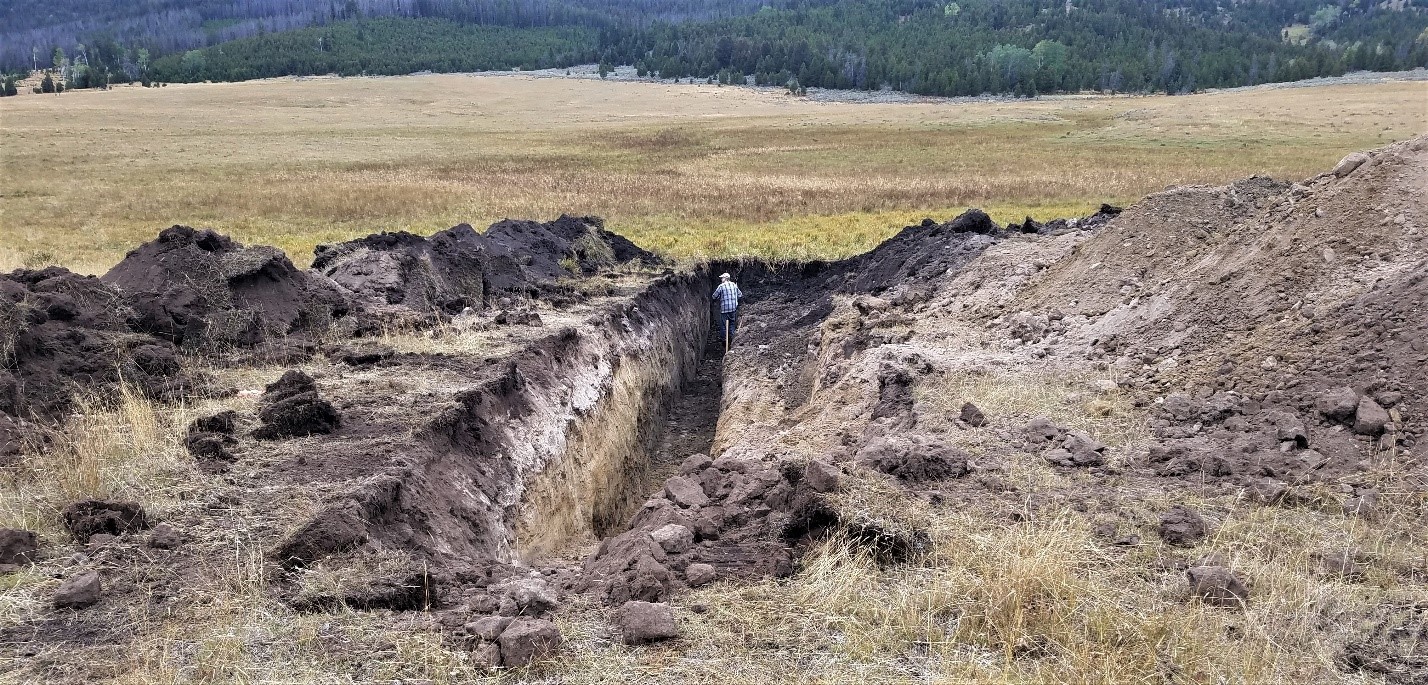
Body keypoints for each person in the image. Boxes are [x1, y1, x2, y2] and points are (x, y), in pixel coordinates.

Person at [712, 272, 742, 348]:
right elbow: (740, 295)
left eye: (722, 278)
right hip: (733, 309)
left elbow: (714, 296)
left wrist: (718, 299)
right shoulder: (734, 285)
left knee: (723, 326)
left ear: (725, 278)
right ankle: (732, 339)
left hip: (724, 310)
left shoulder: (721, 286)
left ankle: (724, 341)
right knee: (732, 324)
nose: (721, 279)